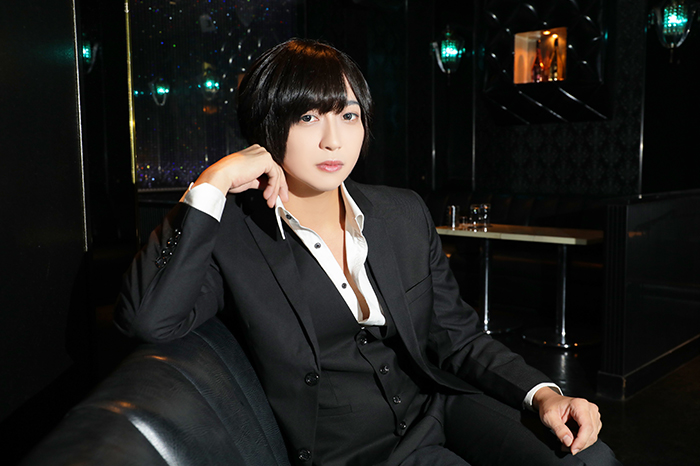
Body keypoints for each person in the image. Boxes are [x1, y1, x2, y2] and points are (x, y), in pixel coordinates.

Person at [115, 38, 620, 466]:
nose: (334, 140)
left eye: (348, 115)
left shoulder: (402, 212)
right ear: (266, 129)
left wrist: (544, 394)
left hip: (439, 407)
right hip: (356, 452)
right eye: (308, 116)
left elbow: (457, 335)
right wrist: (212, 182)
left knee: (590, 458)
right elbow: (148, 319)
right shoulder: (232, 236)